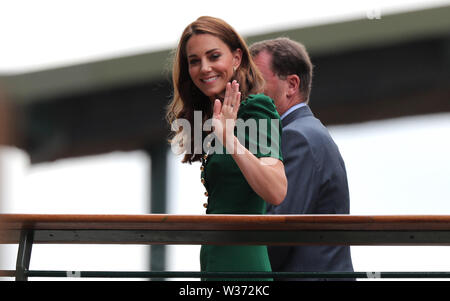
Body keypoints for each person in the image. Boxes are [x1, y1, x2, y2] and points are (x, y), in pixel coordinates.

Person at [166, 16, 287, 281]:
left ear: (236, 58)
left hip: (243, 267)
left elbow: (276, 190)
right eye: (194, 61)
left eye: (213, 56)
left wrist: (230, 139)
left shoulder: (255, 108)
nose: (204, 68)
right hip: (214, 263)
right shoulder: (215, 118)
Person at [250, 37, 354, 280]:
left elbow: (279, 233)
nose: (248, 92)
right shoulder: (309, 132)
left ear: (292, 85)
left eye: (256, 81)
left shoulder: (295, 137)